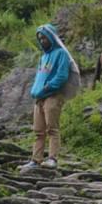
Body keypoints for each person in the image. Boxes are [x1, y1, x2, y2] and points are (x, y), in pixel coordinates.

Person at [20, 24, 80, 170]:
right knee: (38, 131)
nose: (42, 41)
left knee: (52, 129)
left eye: (44, 38)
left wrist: (46, 88)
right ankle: (36, 160)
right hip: (39, 98)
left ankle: (52, 158)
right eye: (39, 38)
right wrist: (36, 91)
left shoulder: (61, 54)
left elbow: (61, 76)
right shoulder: (43, 57)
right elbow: (40, 76)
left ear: (52, 37)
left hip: (53, 96)